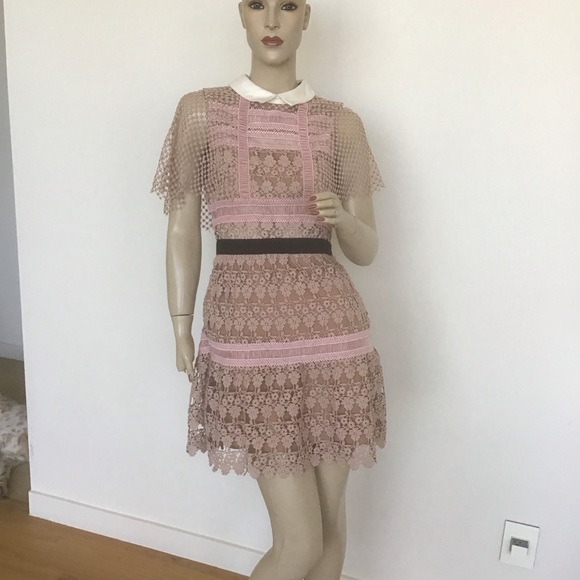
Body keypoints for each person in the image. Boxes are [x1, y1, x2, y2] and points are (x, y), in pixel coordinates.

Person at [151, 1, 387, 578]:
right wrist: (181, 322)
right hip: (246, 334)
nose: (273, 20)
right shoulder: (200, 111)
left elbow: (366, 249)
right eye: (258, 4)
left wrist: (344, 220)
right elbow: (182, 226)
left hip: (333, 335)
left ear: (307, 17)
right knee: (299, 544)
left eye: (288, 5)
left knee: (331, 532)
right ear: (242, 14)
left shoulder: (342, 123)